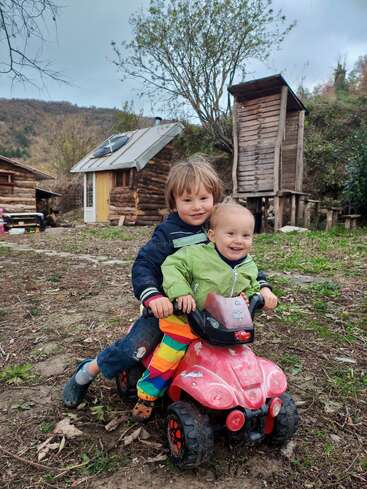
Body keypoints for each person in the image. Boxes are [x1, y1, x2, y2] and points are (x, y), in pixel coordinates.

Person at [63, 157, 276, 408]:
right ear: (174, 202)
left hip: (211, 314)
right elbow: (144, 265)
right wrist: (154, 297)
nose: (197, 207)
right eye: (187, 200)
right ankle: (87, 372)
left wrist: (262, 286)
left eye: (204, 198)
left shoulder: (219, 225)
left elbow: (244, 262)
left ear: (214, 197)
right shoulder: (168, 233)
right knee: (135, 348)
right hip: (170, 311)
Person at [133, 202, 277, 421]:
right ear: (212, 235)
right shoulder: (195, 255)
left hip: (224, 324)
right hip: (187, 318)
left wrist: (263, 293)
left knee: (238, 357)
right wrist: (181, 293)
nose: (238, 241)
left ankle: (237, 394)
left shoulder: (247, 265)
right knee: (169, 355)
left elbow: (253, 283)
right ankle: (148, 395)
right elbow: (172, 267)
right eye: (230, 234)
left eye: (246, 235)